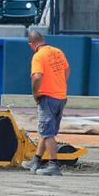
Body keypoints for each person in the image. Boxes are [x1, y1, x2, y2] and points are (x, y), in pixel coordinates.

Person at [21, 30, 70, 176]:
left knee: (47, 133)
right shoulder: (57, 51)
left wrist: (35, 93)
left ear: (31, 44)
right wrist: (58, 84)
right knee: (46, 130)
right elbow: (67, 70)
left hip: (47, 97)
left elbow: (36, 77)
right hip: (60, 97)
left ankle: (53, 165)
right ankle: (36, 160)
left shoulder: (38, 56)